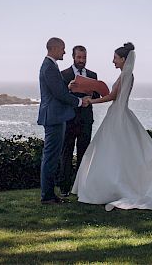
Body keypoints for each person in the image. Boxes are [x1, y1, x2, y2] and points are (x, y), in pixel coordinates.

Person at [71, 42, 152, 211]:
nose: (113, 61)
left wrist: (91, 100)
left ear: (124, 59)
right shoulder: (128, 75)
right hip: (120, 113)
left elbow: (111, 96)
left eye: (116, 58)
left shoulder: (125, 75)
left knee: (112, 152)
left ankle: (114, 187)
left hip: (118, 115)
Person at [37, 37, 90, 204]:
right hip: (54, 117)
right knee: (51, 157)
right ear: (54, 48)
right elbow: (59, 94)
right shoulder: (50, 67)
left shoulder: (51, 66)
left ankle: (50, 194)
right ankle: (48, 196)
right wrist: (80, 102)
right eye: (63, 49)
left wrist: (67, 88)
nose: (64, 52)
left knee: (51, 156)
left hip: (55, 116)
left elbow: (58, 90)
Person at [58, 45, 99, 197]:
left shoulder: (92, 75)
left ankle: (81, 187)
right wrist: (69, 90)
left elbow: (98, 97)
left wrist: (91, 95)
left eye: (84, 58)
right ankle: (64, 188)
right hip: (68, 120)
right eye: (79, 57)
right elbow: (60, 97)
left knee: (84, 154)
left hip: (86, 120)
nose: (82, 61)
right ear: (73, 57)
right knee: (66, 154)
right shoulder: (63, 74)